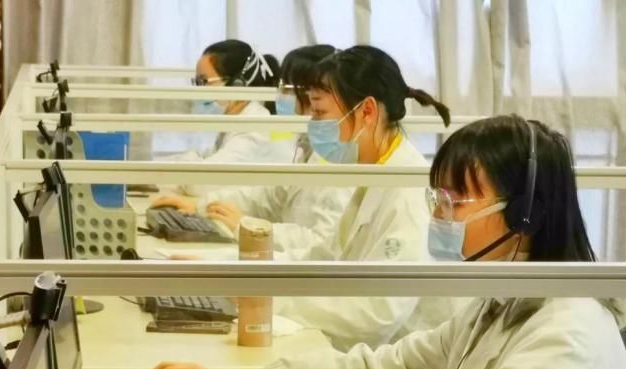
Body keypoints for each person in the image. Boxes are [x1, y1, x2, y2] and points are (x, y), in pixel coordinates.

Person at [142, 115, 626, 369]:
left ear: (524, 214)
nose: (440, 215)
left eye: (456, 201)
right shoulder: (502, 301)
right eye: (438, 199)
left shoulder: (570, 335)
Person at [267, 45, 451, 348]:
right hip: (362, 353)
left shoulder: (407, 193)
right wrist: (247, 270)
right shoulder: (375, 173)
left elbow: (377, 314)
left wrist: (274, 299)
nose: (314, 125)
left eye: (320, 113)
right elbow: (326, 257)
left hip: (397, 361)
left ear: (366, 111)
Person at [153, 44, 354, 256]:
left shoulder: (338, 159)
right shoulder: (307, 146)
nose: (283, 97)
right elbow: (269, 198)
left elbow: (321, 245)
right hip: (283, 260)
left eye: (289, 90)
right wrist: (202, 207)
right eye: (282, 88)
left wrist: (249, 228)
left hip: (296, 266)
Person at [174, 39, 282, 196]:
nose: (198, 90)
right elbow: (203, 161)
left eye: (203, 81)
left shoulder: (254, 130)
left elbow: (197, 183)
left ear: (237, 85)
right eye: (196, 82)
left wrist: (190, 161)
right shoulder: (235, 123)